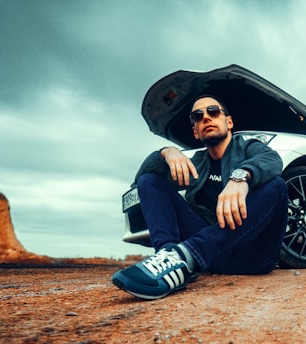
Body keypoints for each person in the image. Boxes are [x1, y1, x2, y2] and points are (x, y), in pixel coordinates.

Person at [112, 95, 287, 300]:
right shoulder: (196, 164)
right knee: (149, 180)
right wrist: (166, 153)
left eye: (213, 111)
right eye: (198, 115)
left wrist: (240, 177)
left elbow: (273, 160)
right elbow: (141, 181)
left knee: (277, 185)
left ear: (228, 122)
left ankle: (185, 254)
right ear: (195, 131)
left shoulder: (249, 148)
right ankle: (169, 259)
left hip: (253, 256)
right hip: (212, 255)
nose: (206, 118)